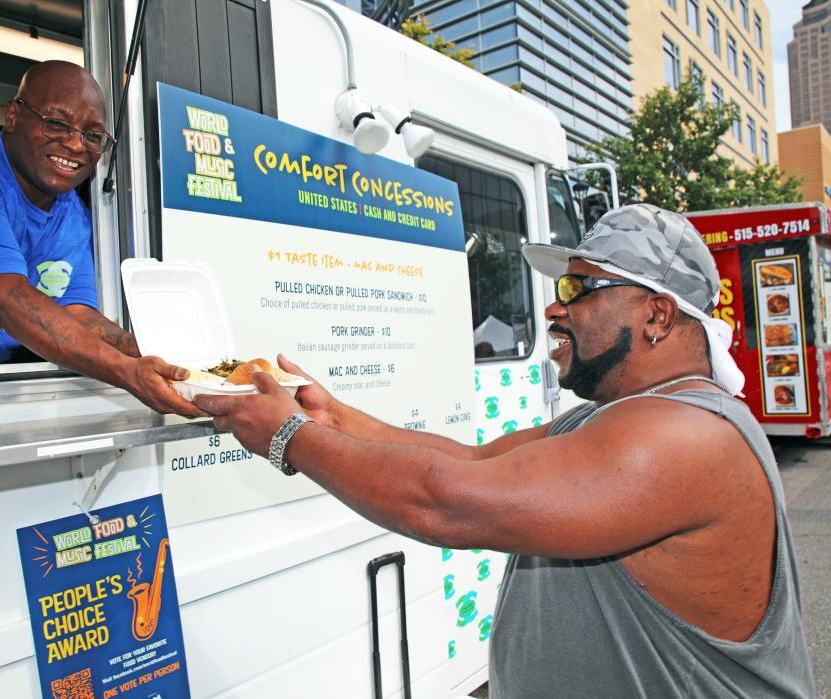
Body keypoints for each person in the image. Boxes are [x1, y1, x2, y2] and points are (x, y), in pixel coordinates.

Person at [194, 204, 816, 697]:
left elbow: (447, 501)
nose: (555, 305)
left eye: (579, 287)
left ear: (656, 314)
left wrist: (290, 438)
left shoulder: (685, 436)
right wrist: (334, 418)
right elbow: (470, 460)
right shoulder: (616, 419)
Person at [0, 60, 201, 416]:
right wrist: (127, 373)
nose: (75, 144)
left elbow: (79, 313)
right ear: (13, 116)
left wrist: (165, 360)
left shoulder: (73, 215)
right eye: (56, 123)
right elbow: (7, 297)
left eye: (93, 135)